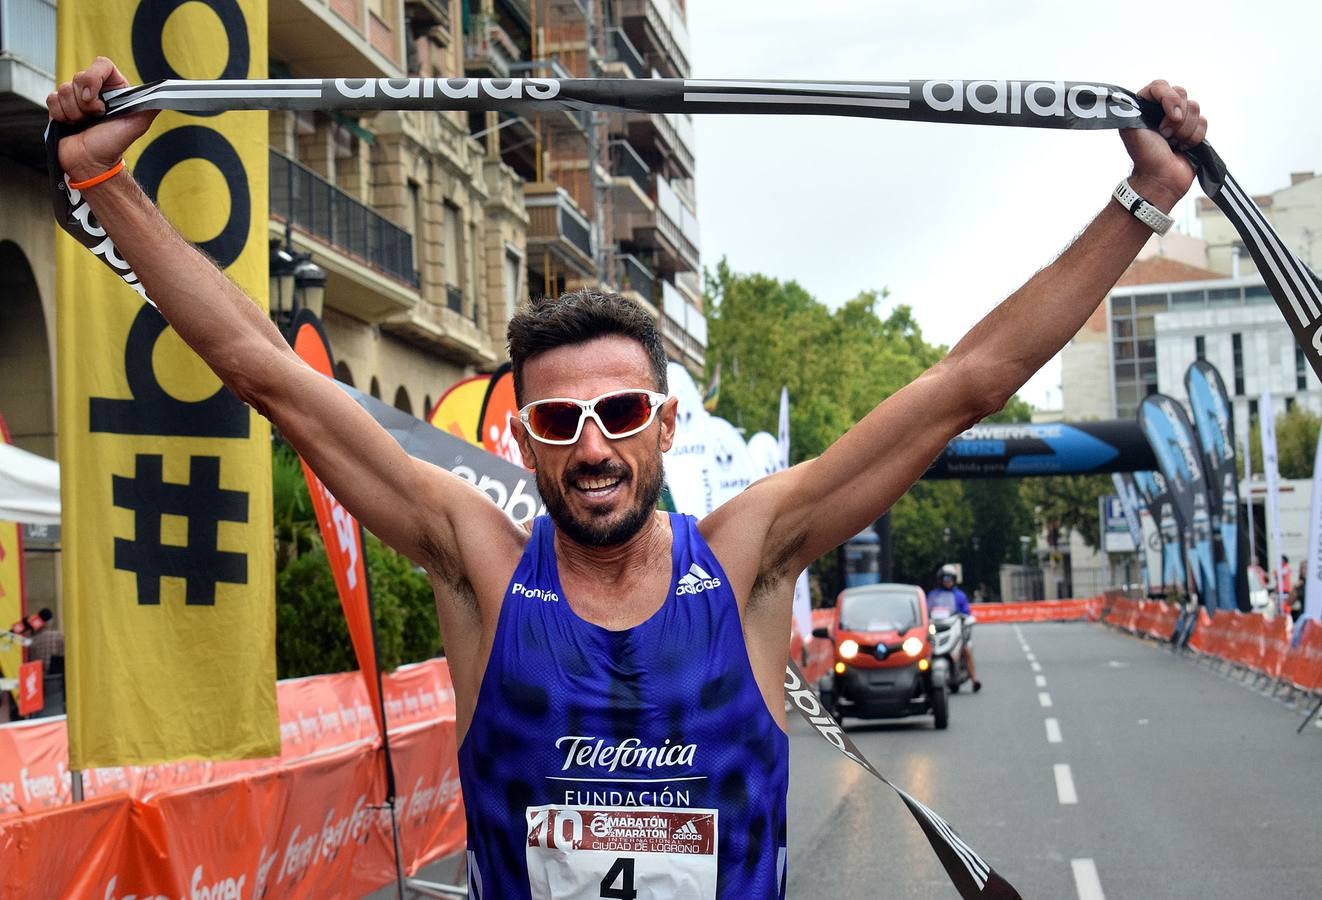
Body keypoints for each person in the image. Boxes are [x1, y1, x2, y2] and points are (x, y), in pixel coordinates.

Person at [49, 57, 1206, 897]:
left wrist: (1140, 203)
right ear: (522, 436)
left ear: (659, 424)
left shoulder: (751, 557)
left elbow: (968, 381)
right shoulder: (478, 568)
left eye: (616, 415)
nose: (592, 447)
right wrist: (108, 185)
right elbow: (270, 376)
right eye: (559, 419)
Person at [926, 566, 981, 692]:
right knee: (925, 648)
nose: (948, 581)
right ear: (940, 579)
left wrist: (967, 619)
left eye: (950, 578)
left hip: (955, 628)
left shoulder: (959, 595)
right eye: (945, 578)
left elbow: (966, 613)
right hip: (935, 627)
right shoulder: (933, 595)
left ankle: (974, 680)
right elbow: (926, 610)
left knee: (966, 649)